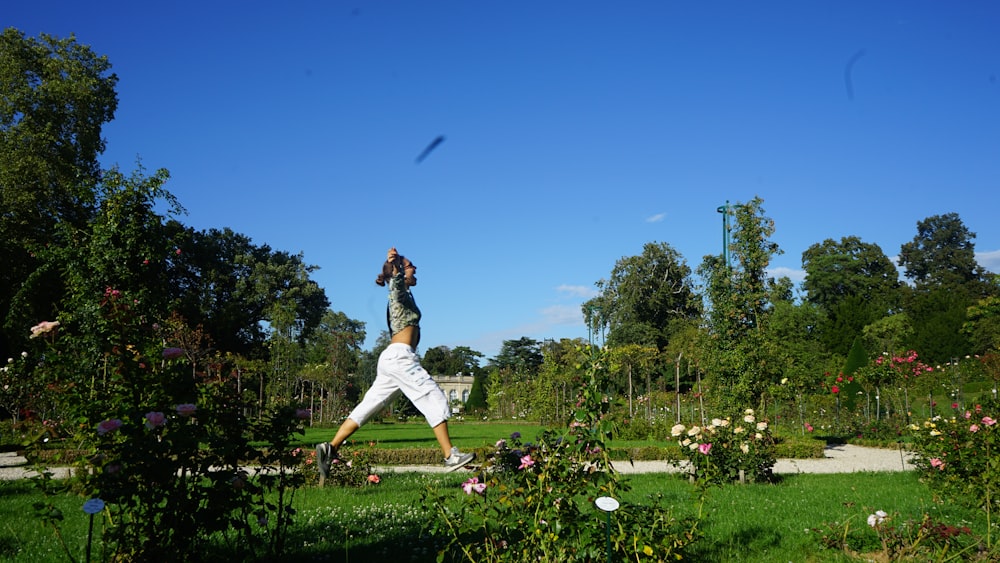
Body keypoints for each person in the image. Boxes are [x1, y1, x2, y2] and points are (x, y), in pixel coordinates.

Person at [316, 248, 475, 478]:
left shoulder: (405, 294)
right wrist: (396, 266)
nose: (415, 268)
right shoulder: (397, 291)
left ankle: (331, 448)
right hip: (400, 358)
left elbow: (400, 286)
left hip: (392, 359)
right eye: (411, 265)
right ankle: (450, 455)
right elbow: (396, 285)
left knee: (368, 406)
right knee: (433, 396)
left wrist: (398, 268)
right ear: (398, 271)